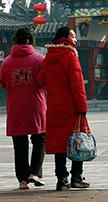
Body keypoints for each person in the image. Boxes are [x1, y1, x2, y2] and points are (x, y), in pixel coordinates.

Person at [38, 26, 90, 191]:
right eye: (73, 36)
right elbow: (77, 84)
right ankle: (76, 176)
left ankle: (62, 179)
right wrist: (82, 107)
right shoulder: (70, 56)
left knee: (60, 144)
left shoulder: (48, 58)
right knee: (77, 140)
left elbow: (40, 81)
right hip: (71, 107)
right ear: (65, 38)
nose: (75, 39)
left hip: (53, 106)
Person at [0, 28, 46, 190]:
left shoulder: (7, 62)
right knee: (39, 138)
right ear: (28, 40)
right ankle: (35, 172)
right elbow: (44, 82)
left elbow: (4, 83)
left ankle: (23, 180)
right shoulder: (39, 59)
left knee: (19, 143)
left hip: (15, 105)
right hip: (36, 104)